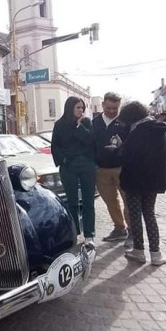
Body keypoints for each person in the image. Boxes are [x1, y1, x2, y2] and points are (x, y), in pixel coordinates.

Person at [114, 101, 166, 265]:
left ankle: (138, 251)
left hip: (135, 180)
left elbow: (126, 156)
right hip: (152, 180)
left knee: (135, 215)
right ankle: (156, 254)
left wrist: (117, 147)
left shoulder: (137, 131)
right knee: (149, 214)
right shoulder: (157, 130)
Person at [51, 97, 96, 243]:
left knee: (88, 201)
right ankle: (74, 232)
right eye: (78, 107)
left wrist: (79, 127)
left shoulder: (86, 122)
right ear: (70, 108)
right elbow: (55, 146)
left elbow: (91, 141)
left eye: (82, 108)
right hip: (68, 166)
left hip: (86, 165)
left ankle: (89, 234)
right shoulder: (59, 124)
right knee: (72, 202)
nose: (81, 110)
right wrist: (63, 159)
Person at [93, 92, 131, 246]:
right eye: (108, 108)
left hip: (122, 169)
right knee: (110, 202)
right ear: (102, 105)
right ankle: (119, 228)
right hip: (101, 170)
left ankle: (133, 232)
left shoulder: (125, 123)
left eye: (115, 108)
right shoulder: (93, 123)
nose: (111, 111)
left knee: (128, 201)